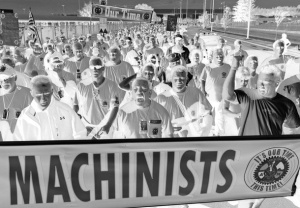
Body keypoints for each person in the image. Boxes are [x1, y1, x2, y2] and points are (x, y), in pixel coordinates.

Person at [13, 75, 87, 141]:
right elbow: (18, 143)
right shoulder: (25, 116)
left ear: (52, 91)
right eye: (38, 94)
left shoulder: (66, 110)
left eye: (46, 93)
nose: (43, 98)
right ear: (31, 93)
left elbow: (81, 135)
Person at [155, 66, 212, 137]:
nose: (179, 81)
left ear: (186, 79)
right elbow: (153, 120)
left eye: (182, 78)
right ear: (171, 79)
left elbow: (207, 114)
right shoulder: (161, 98)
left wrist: (204, 132)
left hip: (193, 139)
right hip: (170, 139)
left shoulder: (196, 93)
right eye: (176, 78)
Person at [74, 57, 123, 129]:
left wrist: (108, 125)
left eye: (98, 67)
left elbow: (115, 107)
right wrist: (76, 119)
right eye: (92, 67)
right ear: (89, 69)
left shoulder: (111, 85)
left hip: (104, 125)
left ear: (103, 68)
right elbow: (75, 104)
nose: (95, 70)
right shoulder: (81, 85)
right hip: (85, 125)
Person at [200, 48, 231, 136]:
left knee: (219, 117)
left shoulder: (227, 67)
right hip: (209, 97)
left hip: (221, 97)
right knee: (207, 116)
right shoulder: (208, 67)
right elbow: (202, 79)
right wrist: (203, 91)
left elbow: (231, 80)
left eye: (221, 56)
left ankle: (219, 134)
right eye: (217, 56)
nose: (219, 58)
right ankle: (205, 134)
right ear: (213, 57)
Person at [0, 64, 32, 133]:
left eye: (8, 77)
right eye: (2, 78)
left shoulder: (28, 93)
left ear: (15, 78)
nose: (5, 81)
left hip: (22, 138)